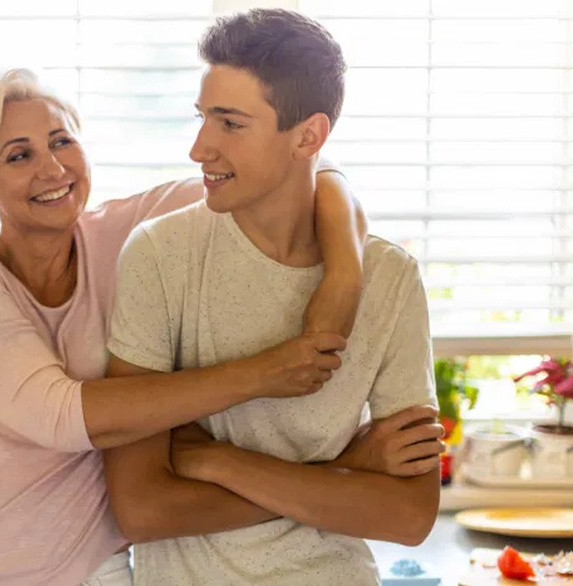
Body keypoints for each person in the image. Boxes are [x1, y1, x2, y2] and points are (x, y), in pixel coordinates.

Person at [0, 65, 372, 585]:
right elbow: (58, 415)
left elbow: (295, 170)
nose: (52, 169)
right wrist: (266, 377)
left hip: (92, 568)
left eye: (61, 142)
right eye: (19, 155)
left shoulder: (126, 235)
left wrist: (343, 275)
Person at [104, 9, 443, 585]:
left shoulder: (389, 277)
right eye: (203, 118)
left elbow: (409, 515)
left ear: (308, 136)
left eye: (231, 124)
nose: (199, 148)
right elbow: (142, 509)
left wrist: (215, 460)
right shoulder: (161, 255)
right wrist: (341, 472)